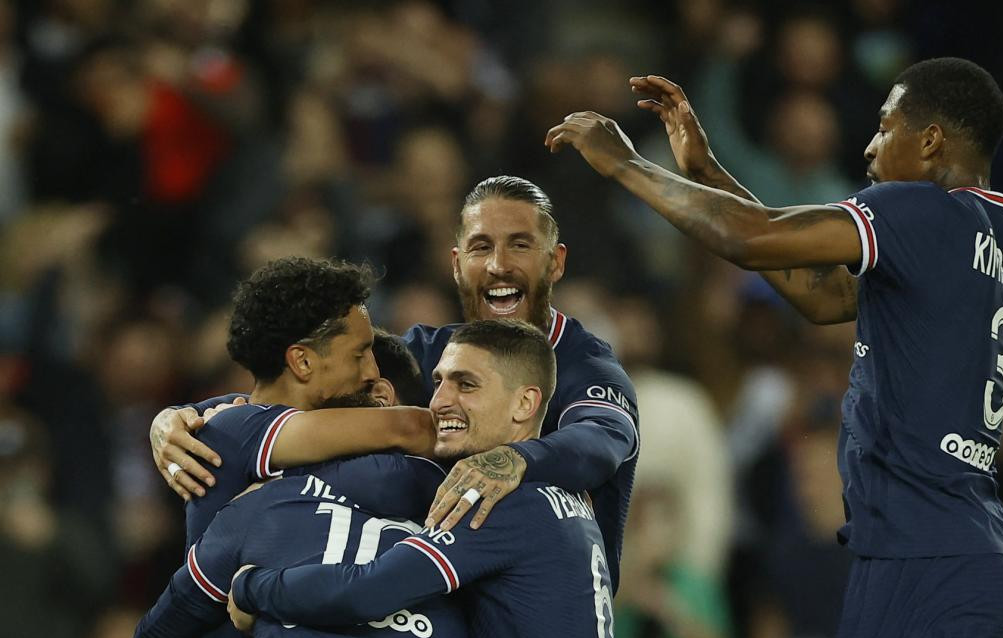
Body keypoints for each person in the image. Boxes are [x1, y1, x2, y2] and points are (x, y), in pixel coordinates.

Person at [545, 58, 1003, 638]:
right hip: (986, 559)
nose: (870, 150)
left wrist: (625, 165)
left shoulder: (920, 211)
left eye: (884, 126)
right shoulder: (997, 233)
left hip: (919, 555)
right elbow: (820, 294)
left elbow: (753, 240)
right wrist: (709, 169)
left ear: (931, 141)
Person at [228, 320, 661, 638]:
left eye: (466, 384)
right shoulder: (561, 495)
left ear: (526, 403)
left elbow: (367, 589)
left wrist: (253, 589)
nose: (440, 401)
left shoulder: (504, 503)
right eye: (439, 381)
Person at [153, 176, 640, 593]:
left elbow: (601, 440)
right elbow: (315, 379)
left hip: (547, 615)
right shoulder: (430, 354)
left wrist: (517, 458)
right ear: (456, 264)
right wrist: (183, 418)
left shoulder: (585, 364)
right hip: (444, 609)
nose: (498, 266)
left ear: (555, 262)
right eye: (480, 247)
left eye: (519, 244)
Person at [119, 257, 436, 638]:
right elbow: (414, 425)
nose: (370, 372)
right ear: (303, 360)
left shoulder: (264, 434)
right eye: (359, 353)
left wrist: (177, 413)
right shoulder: (241, 428)